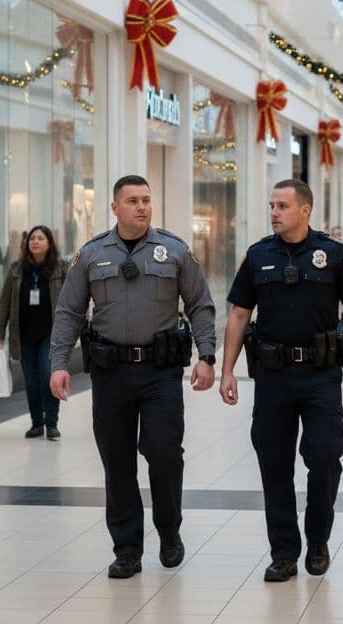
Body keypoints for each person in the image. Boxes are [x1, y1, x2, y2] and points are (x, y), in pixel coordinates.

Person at [49, 175, 217, 579]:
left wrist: (207, 355)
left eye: (146, 199)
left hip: (160, 374)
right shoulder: (91, 255)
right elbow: (69, 312)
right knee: (118, 464)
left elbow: (200, 305)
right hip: (110, 375)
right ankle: (127, 550)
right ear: (115, 208)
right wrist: (58, 363)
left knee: (163, 455)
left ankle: (169, 532)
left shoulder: (174, 251)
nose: (141, 207)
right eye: (132, 201)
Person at [219, 179, 343, 583]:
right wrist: (227, 370)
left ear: (305, 210)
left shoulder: (334, 255)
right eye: (271, 205)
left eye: (282, 206)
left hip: (320, 376)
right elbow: (238, 314)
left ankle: (318, 540)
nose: (274, 212)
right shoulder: (257, 256)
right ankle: (283, 553)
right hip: (272, 377)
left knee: (324, 457)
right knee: (274, 464)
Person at [0, 226, 68, 439]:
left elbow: (72, 298)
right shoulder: (17, 270)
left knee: (47, 376)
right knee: (31, 380)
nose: (35, 242)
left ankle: (51, 423)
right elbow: (4, 302)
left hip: (50, 334)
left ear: (49, 243)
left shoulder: (60, 268)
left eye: (40, 238)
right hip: (23, 334)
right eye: (32, 238)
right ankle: (37, 423)